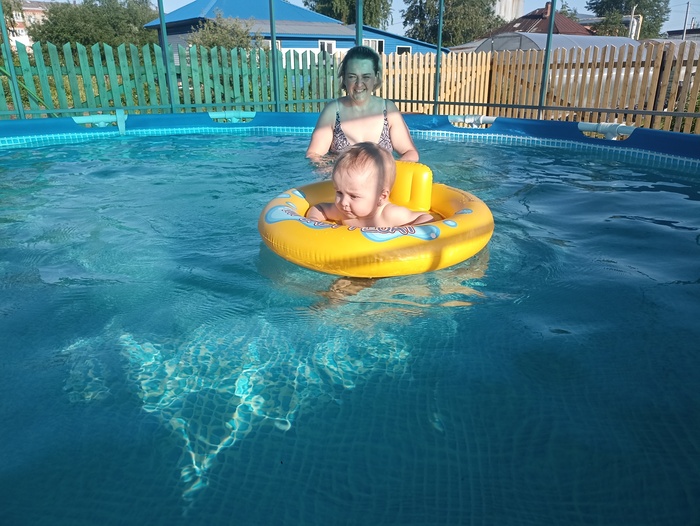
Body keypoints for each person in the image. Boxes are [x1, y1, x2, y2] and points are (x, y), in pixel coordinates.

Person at [306, 45, 419, 164]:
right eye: (352, 77)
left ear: (376, 77)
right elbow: (313, 155)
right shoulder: (332, 111)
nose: (359, 84)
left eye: (366, 77)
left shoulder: (388, 110)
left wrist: (388, 170)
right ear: (344, 78)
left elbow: (410, 153)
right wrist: (330, 170)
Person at [306, 142, 433, 228]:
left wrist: (402, 233)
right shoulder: (344, 212)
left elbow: (426, 218)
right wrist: (313, 221)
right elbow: (320, 208)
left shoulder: (388, 215)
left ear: (381, 197)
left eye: (353, 196)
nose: (343, 202)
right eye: (339, 192)